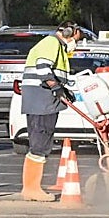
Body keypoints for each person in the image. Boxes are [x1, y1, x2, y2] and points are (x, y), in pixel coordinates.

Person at [19, 22, 80, 201]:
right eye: (76, 39)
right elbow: (43, 68)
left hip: (43, 100)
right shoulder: (51, 43)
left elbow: (52, 71)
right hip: (41, 101)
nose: (75, 44)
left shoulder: (56, 46)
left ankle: (31, 188)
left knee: (41, 141)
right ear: (68, 33)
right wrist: (55, 87)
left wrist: (63, 89)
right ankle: (31, 189)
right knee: (40, 142)